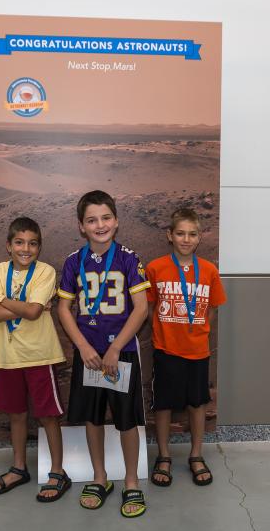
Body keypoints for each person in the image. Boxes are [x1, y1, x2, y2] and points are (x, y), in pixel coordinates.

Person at [57, 190, 150, 518]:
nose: (100, 225)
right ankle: (100, 477)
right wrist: (83, 346)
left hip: (120, 353)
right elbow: (64, 308)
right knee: (94, 417)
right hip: (89, 356)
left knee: (125, 420)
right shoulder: (73, 261)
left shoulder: (128, 257)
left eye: (106, 217)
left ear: (117, 220)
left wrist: (114, 348)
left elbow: (141, 308)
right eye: (92, 220)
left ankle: (129, 480)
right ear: (81, 226)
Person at [0, 216, 71, 502]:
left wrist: (5, 301)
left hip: (39, 355)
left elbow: (34, 313)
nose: (26, 248)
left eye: (32, 243)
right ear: (8, 246)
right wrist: (26, 306)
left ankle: (58, 472)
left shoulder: (44, 271)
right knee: (16, 414)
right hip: (8, 356)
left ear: (39, 248)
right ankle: (19, 468)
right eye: (19, 242)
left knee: (48, 415)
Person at [146, 208, 226, 487]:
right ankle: (164, 455)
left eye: (192, 234)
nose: (186, 239)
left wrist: (198, 331)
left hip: (197, 351)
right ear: (170, 235)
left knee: (197, 402)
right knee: (164, 403)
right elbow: (149, 306)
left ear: (200, 237)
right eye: (180, 233)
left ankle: (196, 454)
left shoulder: (209, 270)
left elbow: (212, 308)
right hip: (166, 349)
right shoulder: (156, 268)